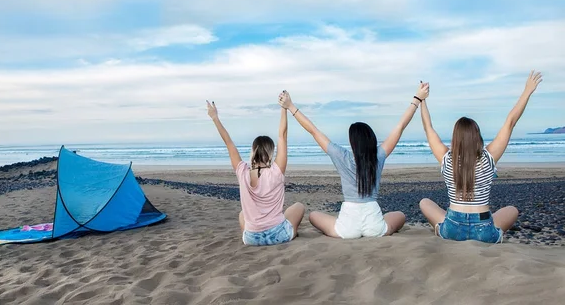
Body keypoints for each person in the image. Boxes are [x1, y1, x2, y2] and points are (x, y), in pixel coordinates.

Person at [278, 84, 429, 239]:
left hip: (347, 227)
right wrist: (417, 99)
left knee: (313, 216)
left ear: (353, 142)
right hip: (374, 224)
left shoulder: (342, 156)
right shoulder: (378, 155)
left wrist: (290, 106)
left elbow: (313, 131)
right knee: (400, 216)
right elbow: (400, 127)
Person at [419, 71, 543, 243]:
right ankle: (488, 233)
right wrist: (527, 91)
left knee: (425, 202)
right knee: (512, 210)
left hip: (453, 227)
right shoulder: (488, 157)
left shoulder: (447, 159)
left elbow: (428, 128)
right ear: (477, 137)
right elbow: (510, 122)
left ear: (456, 139)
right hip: (484, 229)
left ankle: (441, 230)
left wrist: (422, 99)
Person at [206, 95, 305, 246]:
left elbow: (228, 142)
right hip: (279, 234)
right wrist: (284, 109)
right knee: (299, 207)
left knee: (242, 215)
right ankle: (291, 232)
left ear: (253, 152)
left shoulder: (242, 172)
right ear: (271, 154)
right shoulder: (276, 172)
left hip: (251, 238)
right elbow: (282, 136)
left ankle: (258, 231)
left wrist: (214, 118)